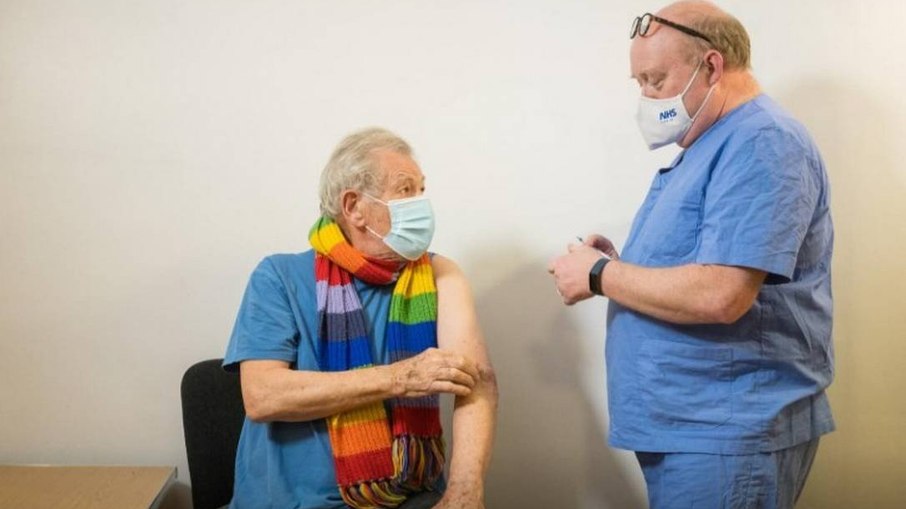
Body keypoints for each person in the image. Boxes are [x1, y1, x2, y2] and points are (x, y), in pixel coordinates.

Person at [548, 2, 834, 508]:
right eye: (639, 82)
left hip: (726, 434)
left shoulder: (762, 141)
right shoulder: (714, 142)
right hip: (694, 429)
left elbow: (722, 294)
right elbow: (703, 267)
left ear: (711, 66)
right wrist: (620, 266)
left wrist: (600, 275)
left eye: (655, 79)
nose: (645, 97)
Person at [224, 127, 498, 509]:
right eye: (405, 190)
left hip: (408, 497)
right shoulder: (278, 277)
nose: (420, 203)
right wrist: (398, 378)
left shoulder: (440, 274)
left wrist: (465, 490)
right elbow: (263, 396)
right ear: (354, 207)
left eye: (421, 189)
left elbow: (477, 382)